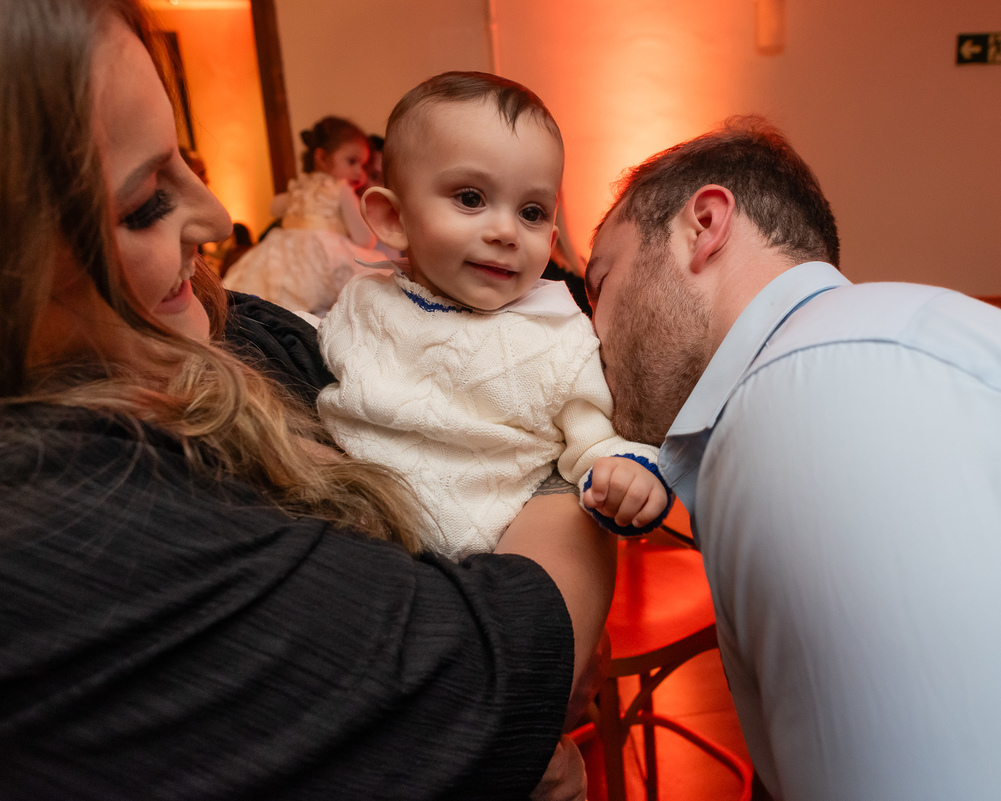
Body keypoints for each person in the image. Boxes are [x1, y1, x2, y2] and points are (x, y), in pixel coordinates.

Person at [0, 1, 611, 798]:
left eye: (184, 161)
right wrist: (567, 488)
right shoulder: (62, 518)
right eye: (145, 202)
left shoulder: (214, 324)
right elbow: (473, 669)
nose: (217, 216)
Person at [585, 117, 1001, 800]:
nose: (590, 335)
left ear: (703, 224)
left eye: (599, 284)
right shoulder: (840, 361)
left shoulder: (818, 394)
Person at [317, 72, 671, 561]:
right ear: (393, 220)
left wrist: (625, 476)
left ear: (550, 239)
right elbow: (314, 367)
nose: (506, 231)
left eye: (531, 212)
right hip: (339, 537)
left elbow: (592, 443)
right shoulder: (363, 301)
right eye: (470, 198)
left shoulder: (557, 338)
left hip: (472, 568)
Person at [223, 116, 387, 317]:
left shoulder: (300, 186)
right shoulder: (341, 190)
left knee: (275, 285)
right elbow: (364, 238)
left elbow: (276, 206)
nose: (359, 173)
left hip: (285, 247)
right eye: (352, 162)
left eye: (362, 165)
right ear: (322, 158)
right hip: (321, 251)